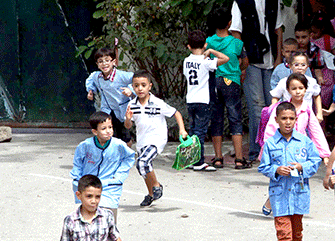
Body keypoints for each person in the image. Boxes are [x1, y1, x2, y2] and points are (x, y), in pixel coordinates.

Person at [258, 101, 323, 241]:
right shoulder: (270, 144)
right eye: (283, 118)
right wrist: (276, 170)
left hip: (299, 194)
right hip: (279, 197)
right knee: (283, 234)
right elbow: (263, 166)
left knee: (297, 233)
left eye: (291, 118)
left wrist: (302, 167)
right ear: (276, 120)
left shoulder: (304, 141)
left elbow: (315, 161)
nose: (287, 122)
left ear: (296, 120)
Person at [230, 0, 285, 160]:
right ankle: (256, 150)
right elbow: (236, 31)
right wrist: (242, 58)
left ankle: (268, 148)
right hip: (251, 60)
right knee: (256, 106)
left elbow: (278, 29)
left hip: (271, 60)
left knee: (271, 105)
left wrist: (279, 57)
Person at [260, 74, 330, 216]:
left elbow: (316, 131)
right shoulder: (282, 109)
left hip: (299, 149)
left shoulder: (307, 109)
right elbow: (271, 129)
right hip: (280, 148)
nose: (298, 91)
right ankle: (272, 201)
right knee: (281, 176)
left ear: (306, 90)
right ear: (287, 90)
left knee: (297, 178)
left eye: (301, 88)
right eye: (294, 88)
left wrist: (325, 154)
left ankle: (294, 207)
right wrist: (268, 147)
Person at [124, 70, 189, 206]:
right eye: (136, 86)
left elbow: (176, 113)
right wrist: (128, 119)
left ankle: (157, 186)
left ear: (150, 86)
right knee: (144, 168)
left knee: (142, 162)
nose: (140, 88)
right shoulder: (132, 105)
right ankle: (151, 193)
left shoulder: (157, 103)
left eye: (143, 85)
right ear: (133, 87)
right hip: (141, 141)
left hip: (156, 140)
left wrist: (182, 130)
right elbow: (128, 125)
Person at [206, 7, 250, 169]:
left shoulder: (209, 42)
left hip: (214, 82)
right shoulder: (237, 43)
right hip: (231, 82)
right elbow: (245, 62)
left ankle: (218, 158)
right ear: (229, 23)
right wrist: (239, 67)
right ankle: (239, 159)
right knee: (235, 118)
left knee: (216, 118)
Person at [71, 111, 136, 222]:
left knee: (109, 220)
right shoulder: (85, 146)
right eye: (103, 128)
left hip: (110, 186)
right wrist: (77, 180)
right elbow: (77, 164)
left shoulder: (118, 144)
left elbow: (129, 157)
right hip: (89, 187)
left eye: (110, 127)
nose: (108, 131)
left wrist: (119, 176)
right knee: (89, 219)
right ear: (95, 131)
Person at [183, 30, 230, 171]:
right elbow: (225, 58)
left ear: (188, 46)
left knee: (192, 130)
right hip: (203, 100)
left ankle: (190, 159)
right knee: (200, 131)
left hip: (190, 99)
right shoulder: (206, 61)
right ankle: (199, 162)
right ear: (204, 45)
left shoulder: (186, 61)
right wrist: (211, 51)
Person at [85, 46, 134, 143]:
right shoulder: (97, 76)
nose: (104, 64)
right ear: (97, 64)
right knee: (108, 134)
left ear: (114, 62)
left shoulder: (121, 76)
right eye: (100, 61)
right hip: (107, 110)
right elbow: (90, 80)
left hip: (121, 110)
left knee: (125, 135)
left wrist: (130, 89)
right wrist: (90, 90)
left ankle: (127, 155)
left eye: (107, 60)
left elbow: (136, 79)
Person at [269, 52, 323, 119]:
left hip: (306, 116)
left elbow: (316, 96)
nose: (300, 68)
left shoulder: (311, 82)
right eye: (296, 65)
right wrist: (273, 111)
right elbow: (276, 97)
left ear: (307, 67)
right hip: (288, 117)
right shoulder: (284, 82)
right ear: (290, 66)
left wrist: (319, 113)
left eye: (303, 65)